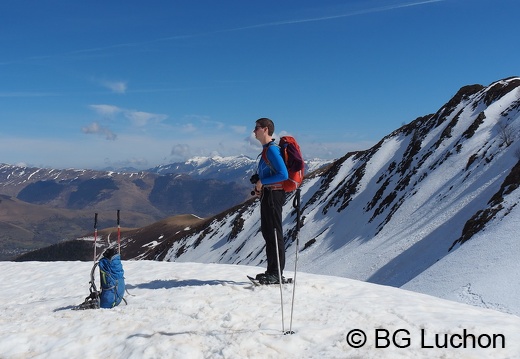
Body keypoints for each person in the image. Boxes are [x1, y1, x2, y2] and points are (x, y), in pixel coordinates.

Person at [251, 117, 289, 284]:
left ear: (265, 129)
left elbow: (283, 174)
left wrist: (262, 182)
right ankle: (272, 270)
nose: (254, 131)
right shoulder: (267, 150)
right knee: (268, 232)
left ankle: (276, 273)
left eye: (257, 128)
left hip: (274, 195)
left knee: (274, 233)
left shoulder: (272, 150)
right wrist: (259, 179)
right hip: (269, 194)